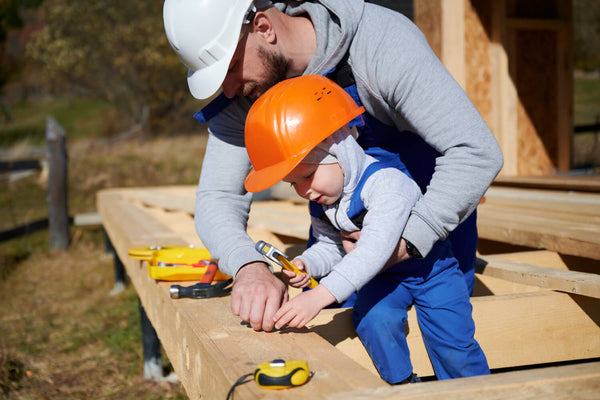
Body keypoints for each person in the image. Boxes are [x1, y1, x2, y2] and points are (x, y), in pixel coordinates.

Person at [162, 0, 504, 332]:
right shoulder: (246, 92)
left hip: (429, 244)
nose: (230, 87)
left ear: (263, 28)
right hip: (341, 248)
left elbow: (475, 150)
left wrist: (403, 244)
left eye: (231, 67)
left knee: (444, 346)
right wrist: (247, 265)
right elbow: (218, 196)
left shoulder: (379, 43)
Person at [243, 74, 490, 383]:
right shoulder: (324, 198)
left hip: (432, 273)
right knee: (374, 320)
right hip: (383, 278)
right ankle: (403, 386)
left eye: (305, 176)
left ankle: (474, 390)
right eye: (292, 184)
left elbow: (374, 249)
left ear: (338, 150)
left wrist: (320, 297)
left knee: (453, 341)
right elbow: (331, 245)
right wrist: (309, 264)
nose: (302, 191)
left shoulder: (388, 186)